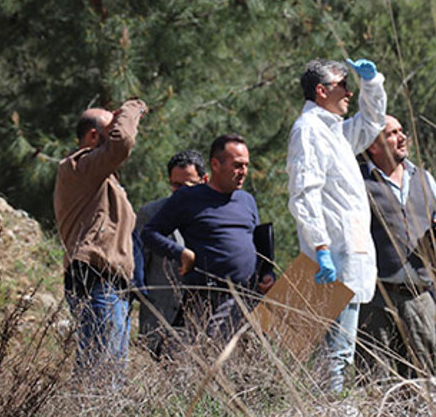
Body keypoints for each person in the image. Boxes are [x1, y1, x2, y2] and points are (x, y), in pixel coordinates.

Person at [286, 58, 387, 393]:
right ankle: (334, 411)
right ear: (321, 90)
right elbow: (304, 193)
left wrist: (372, 84)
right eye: (343, 85)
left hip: (348, 254)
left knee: (341, 352)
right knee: (336, 355)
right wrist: (320, 247)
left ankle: (333, 408)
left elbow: (372, 122)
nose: (348, 92)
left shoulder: (334, 131)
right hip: (332, 258)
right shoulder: (308, 130)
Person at [142, 134, 274, 340]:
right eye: (237, 165)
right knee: (212, 354)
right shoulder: (188, 198)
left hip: (248, 299)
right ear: (215, 164)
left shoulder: (247, 200)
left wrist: (267, 274)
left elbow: (256, 244)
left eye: (246, 165)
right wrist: (181, 253)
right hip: (209, 300)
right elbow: (150, 233)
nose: (244, 172)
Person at [53, 99, 147, 384]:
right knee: (102, 374)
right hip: (97, 279)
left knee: (108, 373)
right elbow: (122, 144)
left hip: (110, 283)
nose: (118, 129)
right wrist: (133, 107)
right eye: (111, 127)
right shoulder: (78, 166)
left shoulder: (101, 181)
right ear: (94, 136)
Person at [357, 115, 436, 377]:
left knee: (424, 380)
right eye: (392, 133)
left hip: (420, 297)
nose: (402, 137)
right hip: (375, 298)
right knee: (375, 379)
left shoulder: (424, 178)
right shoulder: (357, 181)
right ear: (373, 145)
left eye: (402, 131)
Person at [135, 150, 208, 356]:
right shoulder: (150, 214)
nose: (180, 192)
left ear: (204, 181)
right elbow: (138, 267)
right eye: (175, 185)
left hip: (203, 323)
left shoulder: (215, 215)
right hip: (161, 322)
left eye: (187, 185)